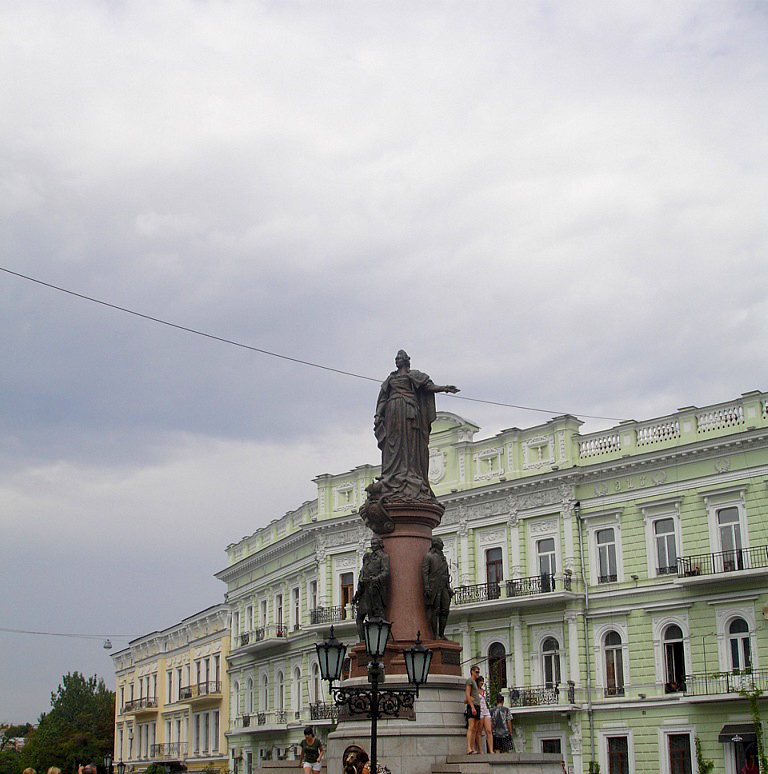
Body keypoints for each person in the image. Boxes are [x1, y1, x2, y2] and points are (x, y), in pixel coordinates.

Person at [374, 351, 459, 503]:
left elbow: (429, 387)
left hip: (409, 412)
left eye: (399, 358)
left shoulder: (414, 375)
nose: (397, 360)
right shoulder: (390, 378)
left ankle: (410, 473)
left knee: (410, 443)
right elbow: (382, 399)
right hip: (392, 414)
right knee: (392, 444)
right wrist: (378, 415)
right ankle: (392, 475)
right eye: (396, 358)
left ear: (406, 360)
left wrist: (445, 388)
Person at [352, 537, 390, 642]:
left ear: (380, 544)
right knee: (360, 618)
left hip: (375, 589)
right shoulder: (367, 557)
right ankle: (364, 641)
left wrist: (376, 579)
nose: (373, 545)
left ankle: (381, 640)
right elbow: (362, 573)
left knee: (376, 616)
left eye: (375, 543)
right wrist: (357, 595)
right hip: (364, 591)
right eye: (372, 543)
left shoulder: (383, 557)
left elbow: (386, 572)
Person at [422, 536, 454, 639]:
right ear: (436, 544)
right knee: (435, 610)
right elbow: (425, 572)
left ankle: (441, 634)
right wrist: (427, 587)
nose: (443, 545)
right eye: (441, 543)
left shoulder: (443, 558)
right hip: (434, 586)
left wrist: (448, 587)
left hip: (444, 585)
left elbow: (446, 573)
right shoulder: (429, 556)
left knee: (445, 610)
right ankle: (435, 634)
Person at [474, 676, 494, 754]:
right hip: (480, 711)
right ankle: (481, 750)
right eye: (480, 681)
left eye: (482, 681)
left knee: (489, 730)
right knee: (479, 731)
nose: (482, 683)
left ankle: (491, 749)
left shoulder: (483, 691)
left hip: (485, 710)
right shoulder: (475, 691)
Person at [465, 664, 481, 754]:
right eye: (476, 672)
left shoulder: (475, 682)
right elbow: (467, 694)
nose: (478, 674)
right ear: (472, 672)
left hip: (477, 705)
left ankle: (473, 747)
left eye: (478, 672)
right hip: (473, 705)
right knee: (471, 727)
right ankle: (469, 748)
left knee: (475, 728)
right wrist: (472, 706)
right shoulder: (470, 681)